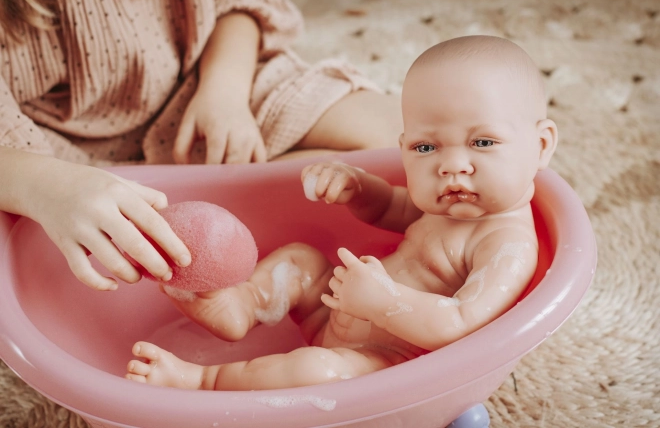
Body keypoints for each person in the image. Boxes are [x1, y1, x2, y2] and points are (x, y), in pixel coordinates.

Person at [126, 34, 558, 391]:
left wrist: (382, 302)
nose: (451, 165)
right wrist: (355, 187)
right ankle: (241, 304)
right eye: (426, 147)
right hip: (336, 308)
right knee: (301, 260)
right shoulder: (449, 206)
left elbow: (461, 322)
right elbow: (392, 206)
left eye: (482, 142)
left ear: (541, 146)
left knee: (318, 372)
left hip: (388, 360)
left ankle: (205, 381)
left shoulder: (508, 245)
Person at [0, 0, 403, 291]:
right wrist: (47, 186)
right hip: (62, 156)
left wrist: (224, 88)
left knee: (402, 137)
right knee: (100, 266)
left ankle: (239, 192)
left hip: (210, 80)